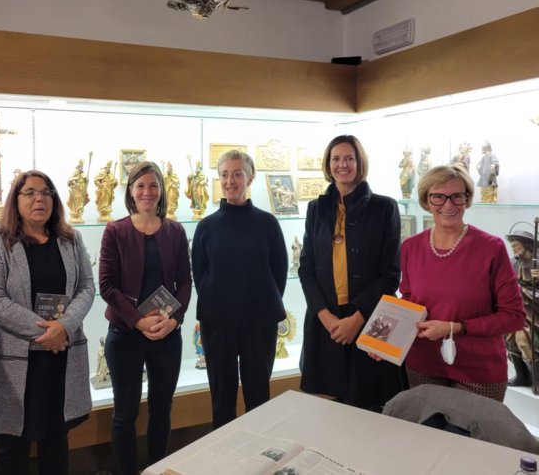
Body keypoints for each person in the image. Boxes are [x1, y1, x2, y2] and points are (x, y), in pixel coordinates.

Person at [0, 170, 94, 475]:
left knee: (56, 437)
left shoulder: (70, 240)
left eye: (46, 192)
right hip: (17, 360)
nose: (39, 198)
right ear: (16, 200)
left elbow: (86, 287)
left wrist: (64, 326)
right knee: (12, 444)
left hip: (60, 356)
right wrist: (46, 330)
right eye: (29, 192)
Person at [400, 164, 524, 402]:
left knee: (471, 439)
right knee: (427, 438)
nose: (448, 205)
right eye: (438, 197)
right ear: (426, 200)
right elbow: (408, 302)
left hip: (479, 371)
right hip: (423, 365)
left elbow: (514, 316)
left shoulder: (491, 248)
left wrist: (454, 328)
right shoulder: (410, 247)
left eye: (457, 196)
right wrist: (387, 341)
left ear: (467, 200)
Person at [299, 135, 405, 410]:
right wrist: (325, 316)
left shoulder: (385, 207)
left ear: (360, 163)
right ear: (328, 164)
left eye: (349, 158)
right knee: (329, 411)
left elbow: (391, 274)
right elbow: (306, 268)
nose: (342, 164)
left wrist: (357, 319)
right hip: (327, 323)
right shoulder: (316, 208)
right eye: (336, 158)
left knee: (372, 406)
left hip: (371, 320)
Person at [99, 161, 191, 475]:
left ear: (162, 190)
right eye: (140, 186)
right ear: (130, 191)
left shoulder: (175, 230)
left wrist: (174, 320)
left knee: (161, 409)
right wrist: (138, 320)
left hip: (167, 335)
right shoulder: (115, 231)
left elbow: (185, 281)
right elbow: (107, 285)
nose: (147, 192)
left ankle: (155, 469)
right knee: (125, 412)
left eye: (153, 185)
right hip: (125, 334)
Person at [192, 150, 287, 428]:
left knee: (258, 396)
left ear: (250, 177)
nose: (230, 181)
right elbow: (201, 274)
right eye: (224, 175)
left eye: (237, 174)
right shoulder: (206, 226)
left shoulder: (267, 223)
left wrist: (258, 302)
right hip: (217, 323)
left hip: (259, 322)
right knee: (222, 398)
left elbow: (278, 272)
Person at [504, 229, 539, 388]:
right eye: (512, 247)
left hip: (533, 311)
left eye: (517, 246)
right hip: (516, 308)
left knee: (526, 342)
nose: (514, 250)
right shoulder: (513, 262)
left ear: (527, 245)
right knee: (510, 341)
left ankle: (536, 379)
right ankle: (521, 376)